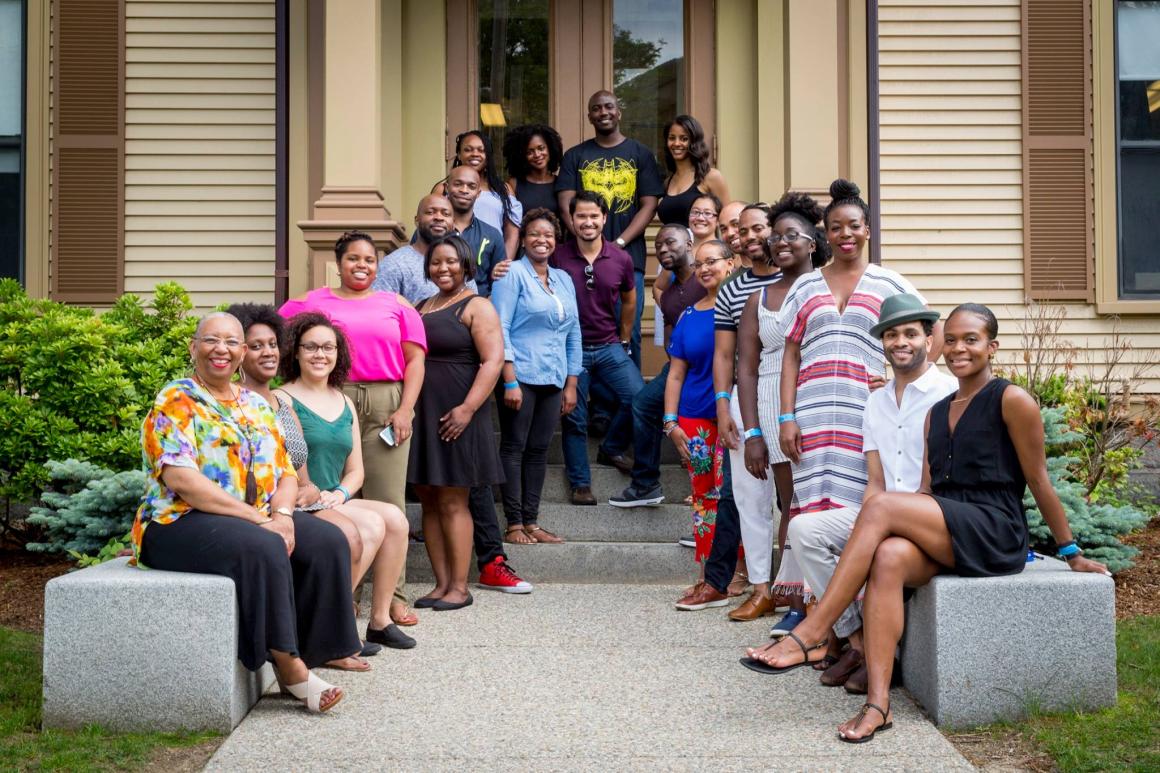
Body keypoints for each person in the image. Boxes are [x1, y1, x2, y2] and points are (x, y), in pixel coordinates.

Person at [742, 303, 1111, 744]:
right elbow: (926, 489)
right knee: (889, 556)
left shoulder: (1011, 399)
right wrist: (903, 526)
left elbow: (1038, 480)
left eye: (971, 339)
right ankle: (878, 704)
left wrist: (1071, 554)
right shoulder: (939, 410)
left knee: (880, 508)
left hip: (995, 529)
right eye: (951, 339)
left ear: (991, 346)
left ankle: (815, 630)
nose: (959, 348)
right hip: (949, 524)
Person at [132, 312, 358, 713]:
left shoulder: (254, 403)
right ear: (193, 347)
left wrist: (285, 515)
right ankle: (290, 669)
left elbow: (285, 472)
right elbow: (182, 481)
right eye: (211, 340)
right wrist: (260, 520)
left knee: (325, 540)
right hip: (177, 521)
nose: (222, 350)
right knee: (266, 545)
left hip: (252, 517)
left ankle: (315, 649)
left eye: (232, 342)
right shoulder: (176, 399)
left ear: (242, 353)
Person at [790, 293, 958, 692]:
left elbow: (938, 482)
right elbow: (876, 483)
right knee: (804, 531)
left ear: (929, 339)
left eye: (911, 334)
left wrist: (882, 527)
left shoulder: (948, 394)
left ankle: (835, 638)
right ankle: (856, 640)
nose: (901, 342)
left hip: (928, 517)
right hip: (881, 510)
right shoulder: (876, 403)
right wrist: (864, 531)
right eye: (892, 334)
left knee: (882, 540)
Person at [279, 230, 426, 627]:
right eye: (353, 259)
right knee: (341, 492)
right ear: (338, 262)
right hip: (330, 397)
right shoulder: (312, 302)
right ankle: (348, 593)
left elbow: (415, 362)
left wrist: (406, 409)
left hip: (385, 401)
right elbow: (273, 335)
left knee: (388, 497)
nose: (362, 265)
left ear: (378, 267)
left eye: (369, 260)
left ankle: (393, 596)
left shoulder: (395, 304)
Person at [232, 303, 385, 657]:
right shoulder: (241, 403)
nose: (268, 352)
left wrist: (310, 487)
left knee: (364, 531)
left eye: (272, 344)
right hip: (261, 506)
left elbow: (297, 465)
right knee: (346, 536)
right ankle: (329, 635)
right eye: (256, 346)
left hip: (296, 499)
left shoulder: (281, 406)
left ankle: (336, 632)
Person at [276, 312, 417, 651]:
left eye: (328, 347)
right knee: (370, 525)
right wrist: (320, 496)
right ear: (295, 352)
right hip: (301, 499)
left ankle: (380, 621)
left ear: (338, 354)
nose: (319, 354)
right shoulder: (282, 399)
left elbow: (357, 471)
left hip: (333, 497)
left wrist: (340, 493)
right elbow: (286, 461)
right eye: (310, 347)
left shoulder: (344, 402)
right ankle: (330, 624)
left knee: (397, 519)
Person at [682, 204, 785, 610]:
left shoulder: (799, 278)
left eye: (759, 227)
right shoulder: (731, 288)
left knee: (794, 497)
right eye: (744, 231)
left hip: (793, 398)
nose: (751, 236)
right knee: (746, 498)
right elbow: (725, 356)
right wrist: (723, 408)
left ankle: (795, 589)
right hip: (746, 401)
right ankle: (758, 588)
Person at [733, 193, 828, 624]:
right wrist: (752, 433)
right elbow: (746, 370)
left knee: (823, 504)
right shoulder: (758, 297)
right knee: (790, 505)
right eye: (775, 237)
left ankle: (818, 600)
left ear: (812, 242)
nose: (781, 243)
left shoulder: (829, 288)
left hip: (821, 400)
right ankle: (794, 600)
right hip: (772, 405)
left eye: (792, 235)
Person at [409, 235, 506, 610]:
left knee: (452, 499)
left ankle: (460, 587)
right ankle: (440, 584)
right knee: (428, 499)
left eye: (451, 261)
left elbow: (493, 361)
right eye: (436, 262)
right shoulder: (422, 306)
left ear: (466, 264)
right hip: (423, 413)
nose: (443, 268)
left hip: (459, 413)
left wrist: (467, 409)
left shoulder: (477, 305)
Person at [492, 209, 582, 543]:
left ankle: (532, 521)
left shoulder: (563, 279)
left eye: (548, 235)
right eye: (534, 234)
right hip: (521, 375)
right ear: (524, 240)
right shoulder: (511, 274)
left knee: (539, 450)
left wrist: (571, 383)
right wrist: (510, 378)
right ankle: (513, 523)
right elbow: (499, 326)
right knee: (514, 447)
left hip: (554, 377)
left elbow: (574, 333)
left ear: (556, 240)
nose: (541, 240)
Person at [557, 90, 663, 368]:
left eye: (608, 107)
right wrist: (587, 242)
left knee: (629, 331)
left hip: (628, 258)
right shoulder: (575, 156)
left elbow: (649, 205)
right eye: (596, 108)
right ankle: (593, 406)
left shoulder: (641, 154)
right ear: (589, 115)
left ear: (619, 112)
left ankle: (629, 403)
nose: (603, 112)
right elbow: (566, 203)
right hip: (582, 260)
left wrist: (616, 244)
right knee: (582, 332)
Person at [550, 191, 645, 505]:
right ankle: (580, 483)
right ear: (572, 219)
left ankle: (611, 448)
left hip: (608, 346)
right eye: (581, 216)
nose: (587, 222)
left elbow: (630, 299)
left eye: (594, 216)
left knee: (639, 399)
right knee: (574, 417)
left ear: (604, 219)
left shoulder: (620, 258)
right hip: (570, 351)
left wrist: (625, 337)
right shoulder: (558, 256)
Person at [610, 224, 705, 508]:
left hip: (711, 370)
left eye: (670, 243)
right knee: (643, 403)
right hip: (680, 366)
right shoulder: (670, 293)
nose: (663, 249)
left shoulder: (707, 279)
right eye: (659, 245)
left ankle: (705, 493)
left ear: (689, 245)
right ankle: (646, 484)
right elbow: (671, 328)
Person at [665, 240, 735, 610]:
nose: (705, 268)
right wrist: (670, 420)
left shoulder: (742, 308)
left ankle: (736, 575)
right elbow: (676, 374)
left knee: (731, 498)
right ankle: (709, 575)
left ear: (730, 263)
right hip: (694, 420)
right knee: (703, 498)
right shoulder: (689, 316)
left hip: (733, 419)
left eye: (713, 261)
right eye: (699, 263)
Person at [434, 129, 523, 259]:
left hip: (490, 260)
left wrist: (503, 266)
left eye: (481, 150)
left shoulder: (503, 189)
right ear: (458, 154)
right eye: (468, 150)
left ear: (488, 156)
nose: (474, 154)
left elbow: (512, 234)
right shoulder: (443, 188)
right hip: (450, 258)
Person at [651, 194, 721, 348]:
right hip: (682, 339)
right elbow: (658, 287)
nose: (700, 217)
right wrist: (670, 308)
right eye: (695, 212)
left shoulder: (725, 252)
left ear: (717, 220)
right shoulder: (678, 252)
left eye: (707, 213)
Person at [374, 195, 470, 303]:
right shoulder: (395, 264)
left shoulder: (460, 266)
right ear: (417, 220)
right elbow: (379, 310)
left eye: (445, 214)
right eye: (430, 212)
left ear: (453, 224)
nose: (439, 217)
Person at [656, 115, 730, 227]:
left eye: (684, 139)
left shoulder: (711, 177)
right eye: (672, 138)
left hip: (702, 244)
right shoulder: (668, 182)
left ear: (694, 142)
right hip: (669, 243)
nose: (676, 143)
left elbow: (727, 219)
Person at [504, 124, 564, 219]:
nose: (537, 155)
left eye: (541, 148)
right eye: (529, 152)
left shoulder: (561, 183)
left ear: (550, 148)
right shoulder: (514, 184)